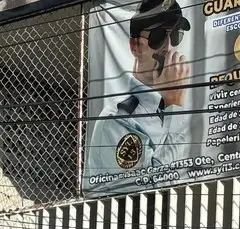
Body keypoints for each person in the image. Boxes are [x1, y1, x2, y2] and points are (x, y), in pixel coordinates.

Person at [82, 0, 193, 197]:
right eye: (158, 36)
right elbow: (148, 191)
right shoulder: (118, 118)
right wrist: (175, 106)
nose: (167, 47)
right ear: (135, 46)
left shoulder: (172, 104)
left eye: (175, 35)